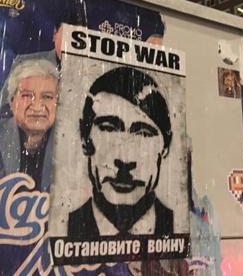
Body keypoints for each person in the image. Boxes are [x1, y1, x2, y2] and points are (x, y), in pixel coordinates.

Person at [67, 66, 174, 238]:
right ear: (85, 139)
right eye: (109, 128)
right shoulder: (65, 228)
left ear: (165, 147)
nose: (125, 158)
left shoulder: (179, 226)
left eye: (144, 133)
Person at [0, 59, 59, 191]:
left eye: (47, 97)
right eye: (27, 95)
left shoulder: (70, 141)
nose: (37, 107)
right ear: (11, 102)